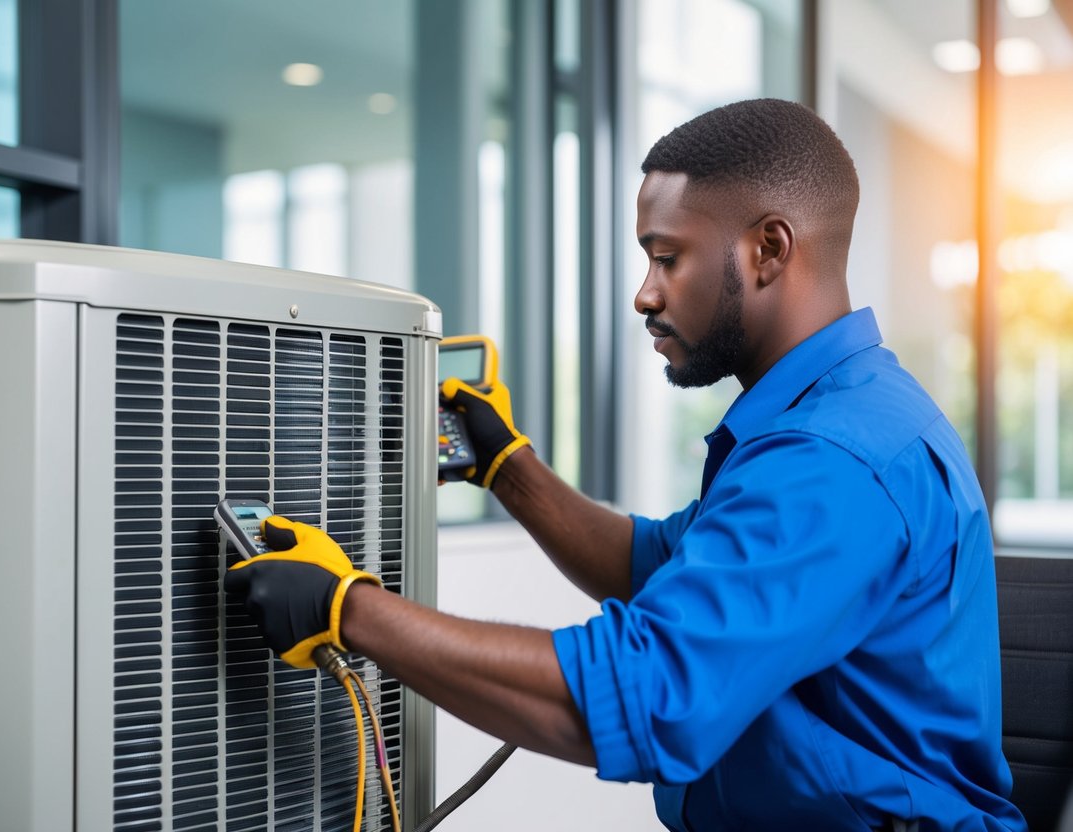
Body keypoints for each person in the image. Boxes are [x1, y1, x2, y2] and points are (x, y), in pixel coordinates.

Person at [224, 98, 1027, 831]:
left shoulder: (833, 460)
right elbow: (654, 564)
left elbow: (651, 698)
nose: (644, 294)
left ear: (767, 250)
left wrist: (351, 612)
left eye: (666, 256)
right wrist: (508, 467)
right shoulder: (831, 412)